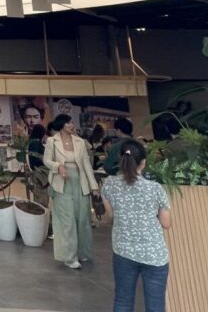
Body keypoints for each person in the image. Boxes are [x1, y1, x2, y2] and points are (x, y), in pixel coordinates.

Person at [101, 140, 171, 312]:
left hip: (123, 252)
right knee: (155, 307)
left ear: (121, 159)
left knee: (123, 302)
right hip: (154, 255)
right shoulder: (155, 189)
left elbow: (110, 216)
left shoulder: (109, 184)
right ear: (144, 162)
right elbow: (166, 224)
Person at [44, 113, 99, 269]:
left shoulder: (80, 142)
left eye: (72, 122)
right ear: (62, 125)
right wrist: (57, 166)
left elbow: (86, 165)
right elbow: (46, 160)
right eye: (68, 123)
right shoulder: (52, 141)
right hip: (62, 184)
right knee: (67, 221)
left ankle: (83, 252)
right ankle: (69, 256)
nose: (72, 125)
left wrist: (93, 186)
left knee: (82, 220)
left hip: (80, 183)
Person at [26, 123, 50, 209]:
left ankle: (40, 212)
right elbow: (36, 158)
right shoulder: (36, 143)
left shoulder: (32, 142)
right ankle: (42, 214)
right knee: (42, 196)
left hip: (35, 171)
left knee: (38, 194)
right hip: (39, 172)